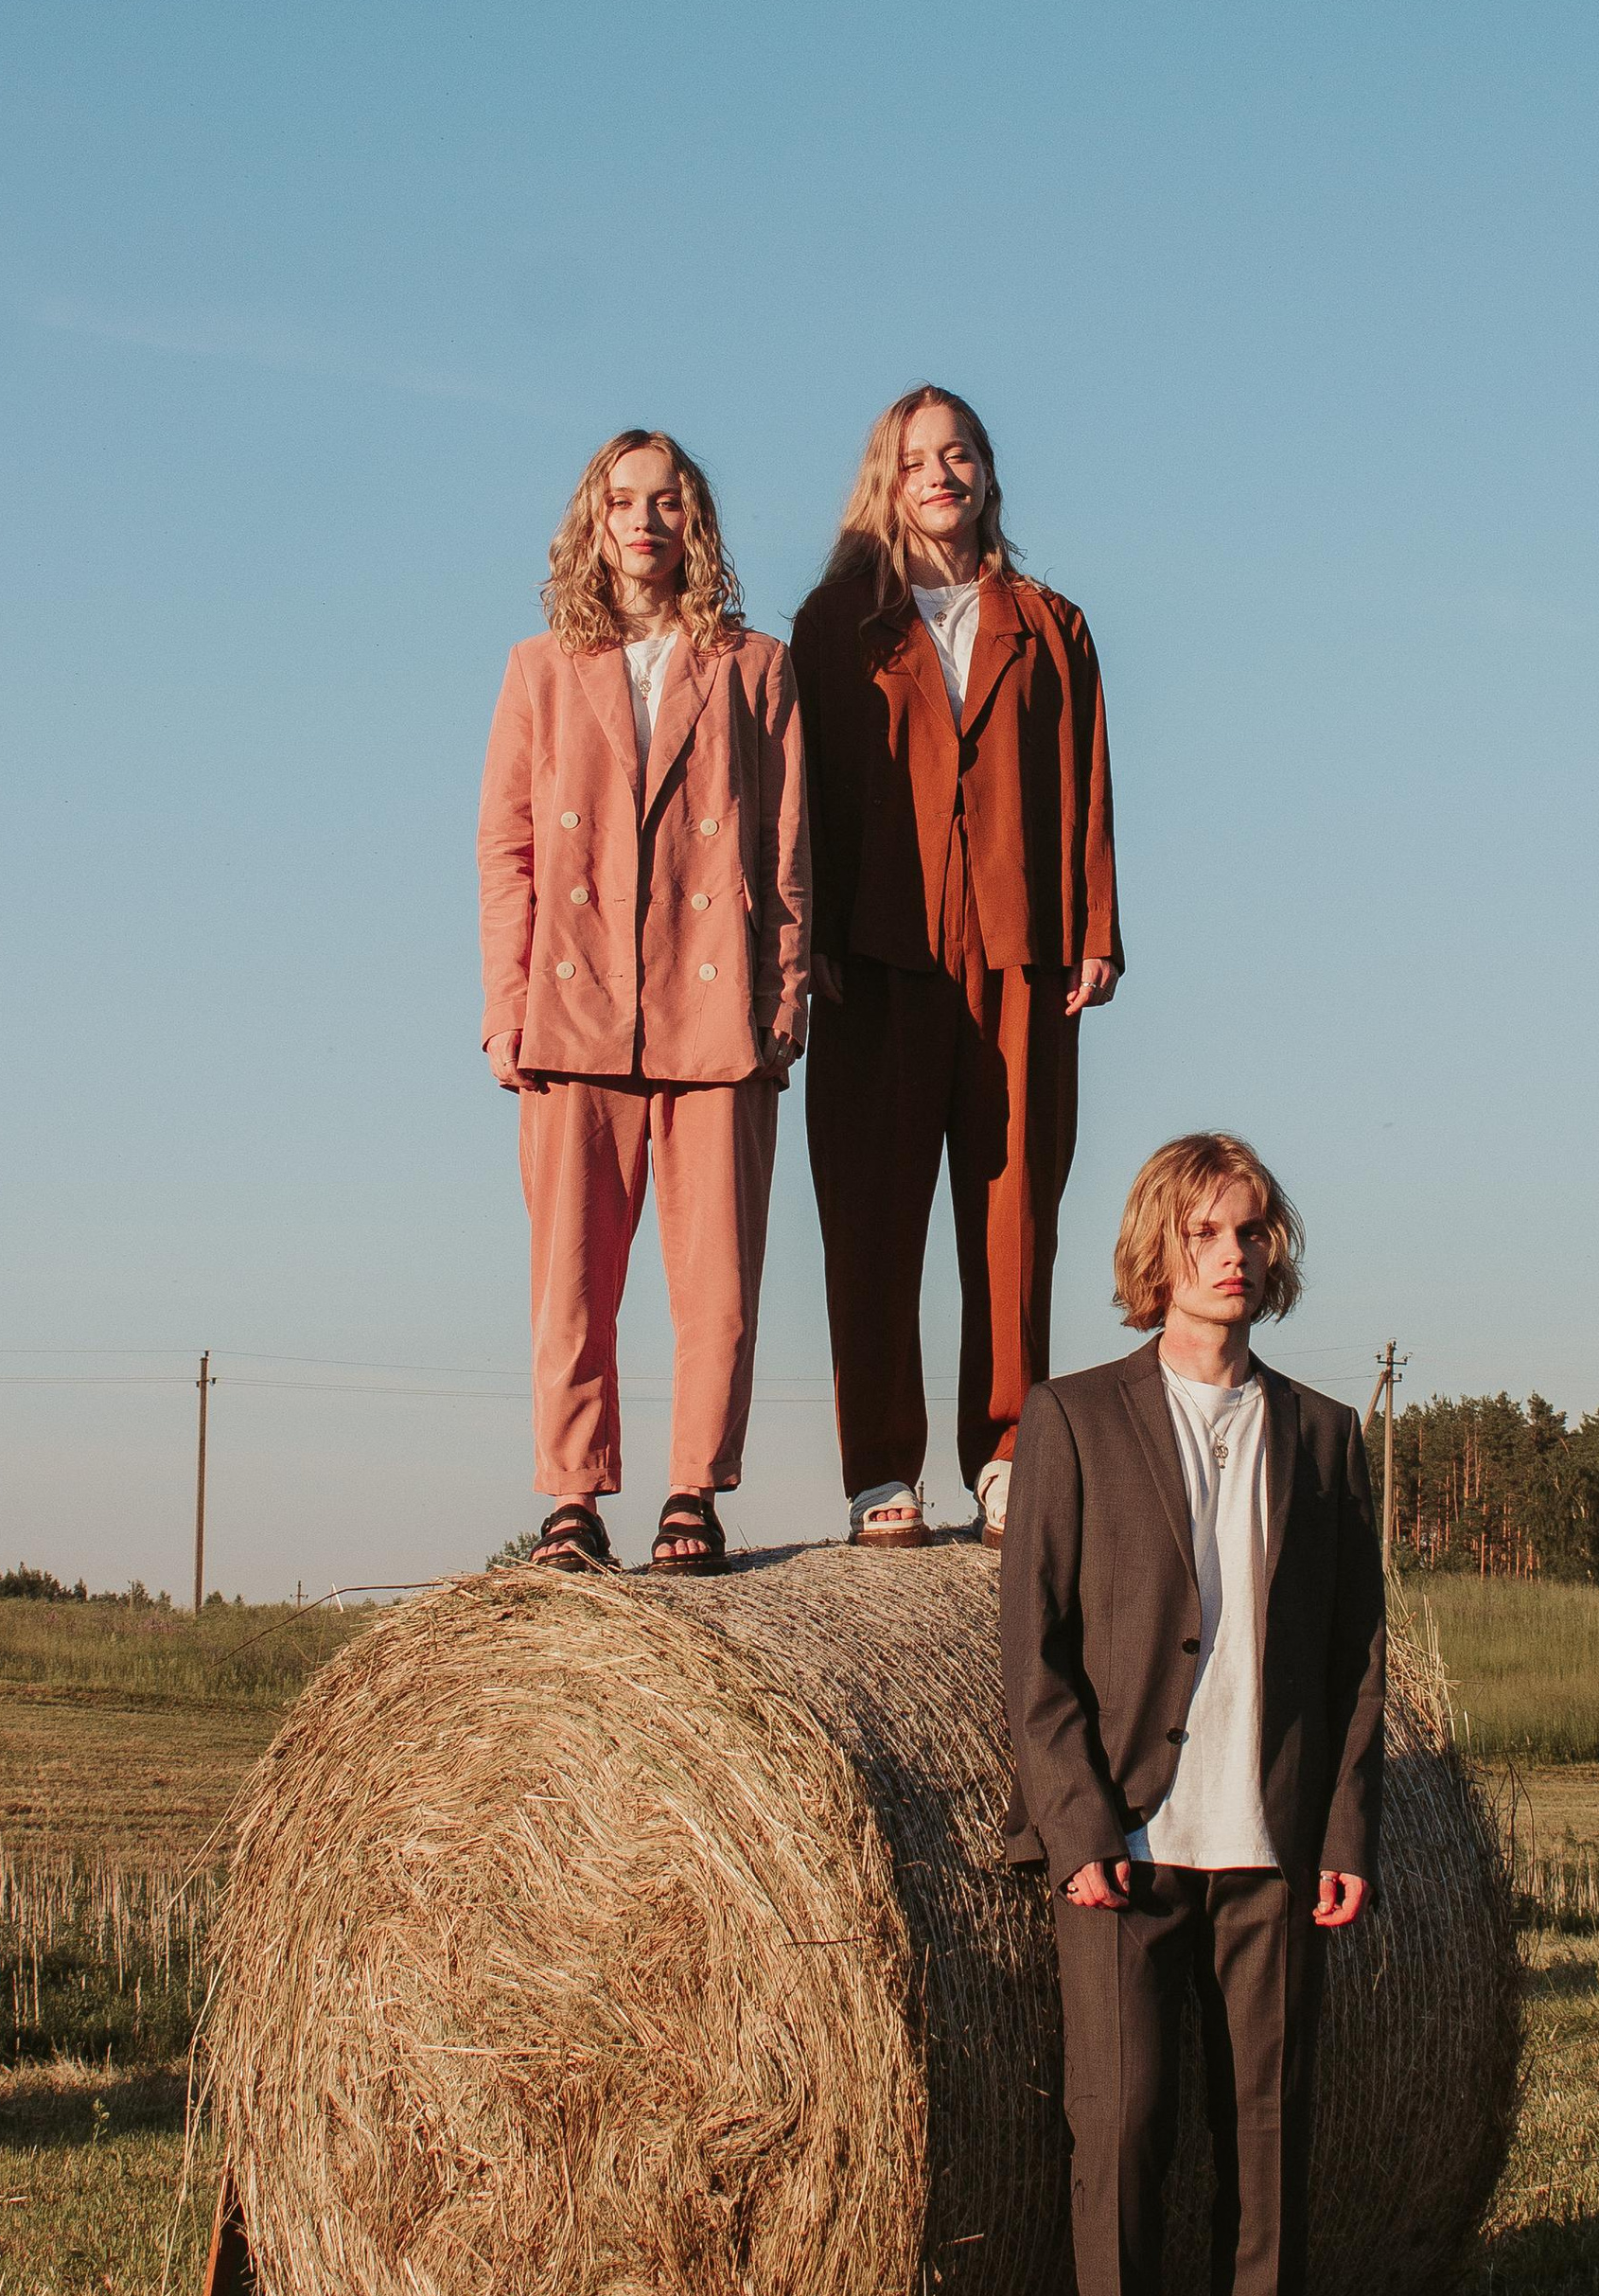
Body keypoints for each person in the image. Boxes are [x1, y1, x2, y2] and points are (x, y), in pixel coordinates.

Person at [998, 1132, 1386, 2296]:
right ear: (1159, 1250)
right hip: (1130, 1853)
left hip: (1271, 1852)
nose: (1235, 1254)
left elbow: (1354, 1663)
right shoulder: (1074, 1420)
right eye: (1210, 1231)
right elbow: (1033, 1652)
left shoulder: (1329, 1439)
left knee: (1267, 2135)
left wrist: (1344, 1835)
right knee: (1126, 2130)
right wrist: (1078, 1827)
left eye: (1254, 1233)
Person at [792, 385, 1120, 1549]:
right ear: (887, 480)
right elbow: (807, 791)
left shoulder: (1053, 624)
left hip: (1021, 956)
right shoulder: (835, 625)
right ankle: (882, 1471)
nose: (941, 473)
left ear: (987, 474)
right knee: (871, 1225)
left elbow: (1085, 782)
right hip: (872, 961)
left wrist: (1095, 929)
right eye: (917, 458)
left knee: (1013, 1217)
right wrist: (808, 936)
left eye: (960, 453)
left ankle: (1008, 1457)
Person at [477, 431, 809, 1574]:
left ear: (695, 521)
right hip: (572, 1010)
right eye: (624, 500)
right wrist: (505, 1005)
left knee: (715, 1278)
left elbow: (785, 847)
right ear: (594, 518)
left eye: (668, 502)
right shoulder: (537, 669)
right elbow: (507, 850)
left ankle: (691, 1494)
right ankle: (571, 1498)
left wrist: (785, 999)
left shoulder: (754, 667)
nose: (646, 520)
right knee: (571, 1274)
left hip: (716, 1009)